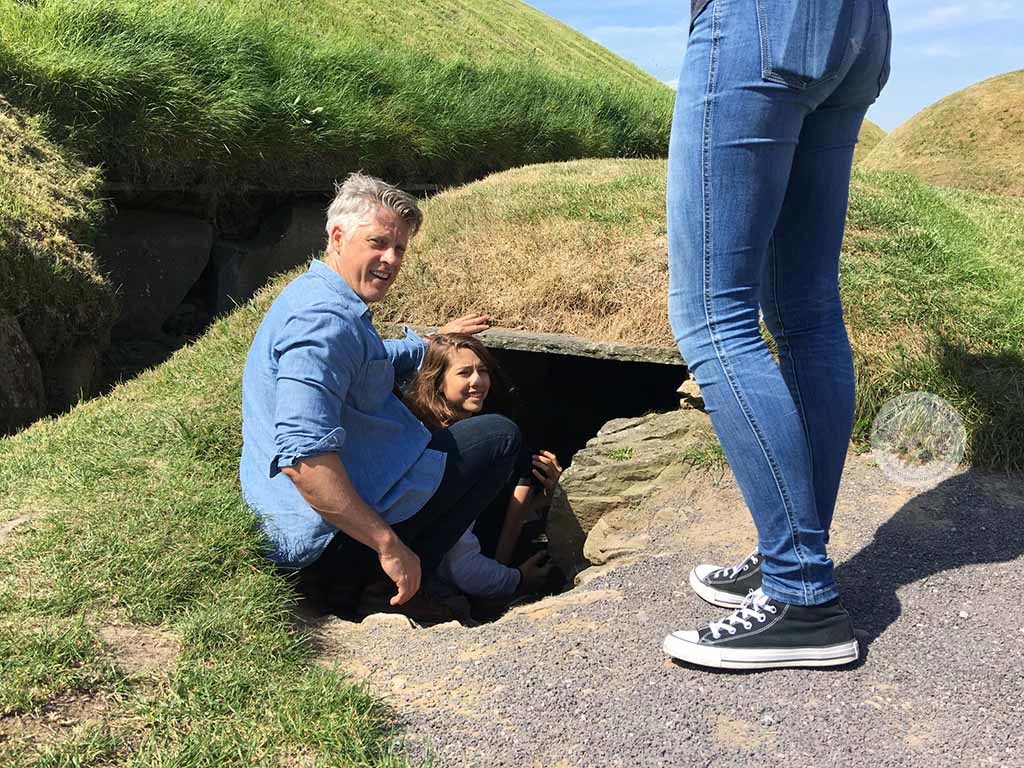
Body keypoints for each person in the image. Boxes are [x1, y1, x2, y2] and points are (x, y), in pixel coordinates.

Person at [661, 0, 891, 669]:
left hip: (758, 19)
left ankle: (801, 594)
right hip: (859, 27)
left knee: (711, 314)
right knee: (805, 310)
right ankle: (791, 561)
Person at [240, 172, 522, 618]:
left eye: (400, 249)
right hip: (326, 542)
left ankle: (383, 576)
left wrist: (430, 342)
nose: (390, 260)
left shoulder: (327, 300)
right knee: (499, 436)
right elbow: (304, 461)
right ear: (337, 236)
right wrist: (389, 546)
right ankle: (385, 586)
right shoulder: (324, 322)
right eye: (377, 243)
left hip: (331, 522)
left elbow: (372, 359)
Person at [403, 333, 563, 606]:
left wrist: (553, 496)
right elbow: (460, 566)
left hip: (481, 562)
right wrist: (517, 579)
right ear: (438, 381)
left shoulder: (465, 429)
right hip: (451, 578)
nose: (477, 381)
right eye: (464, 373)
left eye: (483, 371)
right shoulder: (443, 443)